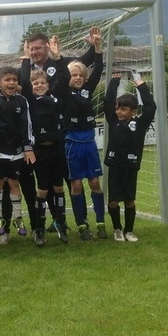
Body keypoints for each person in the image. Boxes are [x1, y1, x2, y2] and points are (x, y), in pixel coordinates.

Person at [20, 36, 70, 246]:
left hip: (57, 149)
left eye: (42, 83)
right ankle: (39, 228)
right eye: (36, 83)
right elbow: (24, 81)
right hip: (39, 152)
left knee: (58, 188)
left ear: (48, 85)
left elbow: (65, 76)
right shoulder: (29, 101)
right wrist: (25, 58)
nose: (39, 86)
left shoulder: (54, 95)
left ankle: (60, 224)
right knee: (42, 190)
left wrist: (57, 57)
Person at [0, 65, 35, 244]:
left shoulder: (22, 101)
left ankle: (18, 217)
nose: (11, 83)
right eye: (7, 80)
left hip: (17, 152)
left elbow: (26, 125)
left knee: (14, 183)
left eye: (14, 80)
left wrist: (28, 147)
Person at [61, 28, 105, 241]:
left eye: (80, 75)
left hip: (89, 141)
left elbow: (98, 68)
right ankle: (81, 224)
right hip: (72, 143)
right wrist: (57, 57)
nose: (77, 78)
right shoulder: (63, 91)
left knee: (95, 183)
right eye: (74, 75)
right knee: (76, 185)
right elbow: (60, 72)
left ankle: (100, 222)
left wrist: (97, 46)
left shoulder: (87, 89)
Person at [104, 73, 156, 242]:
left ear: (133, 111)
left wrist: (142, 87)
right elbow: (108, 103)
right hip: (115, 166)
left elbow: (151, 108)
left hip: (131, 166)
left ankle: (129, 231)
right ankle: (117, 229)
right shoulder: (113, 121)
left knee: (129, 200)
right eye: (118, 109)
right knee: (113, 201)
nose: (119, 112)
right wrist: (114, 83)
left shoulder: (139, 124)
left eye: (123, 109)